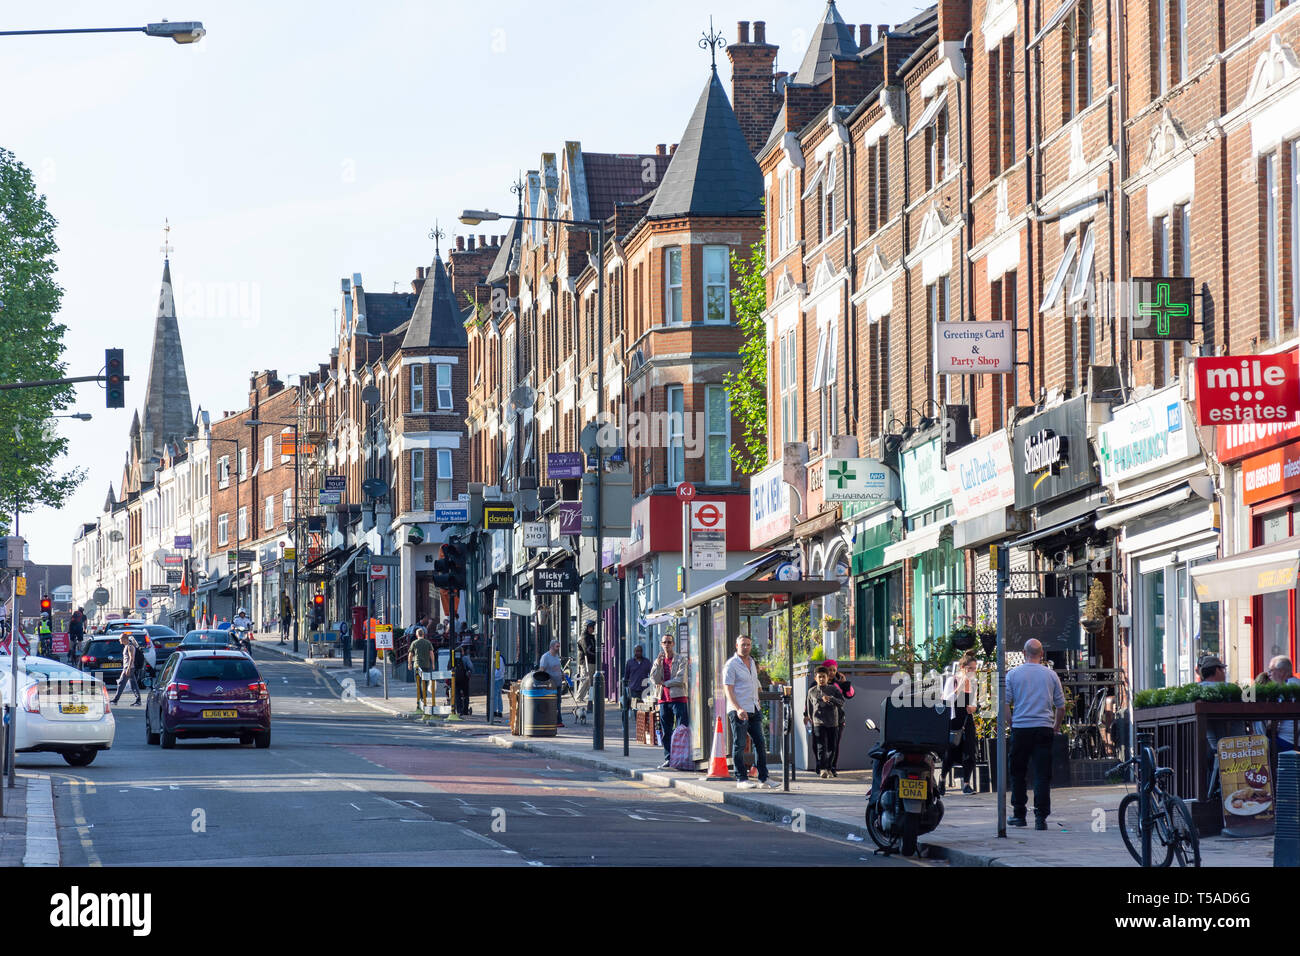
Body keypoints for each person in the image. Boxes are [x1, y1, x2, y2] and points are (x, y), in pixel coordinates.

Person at [1004, 638, 1065, 830]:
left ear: (1024, 653)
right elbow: (1061, 706)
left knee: (1018, 772)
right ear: (1042, 654)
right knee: (1042, 774)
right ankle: (1040, 818)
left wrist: (1012, 723)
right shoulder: (1051, 675)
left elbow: (1004, 703)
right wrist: (1055, 726)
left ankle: (1019, 815)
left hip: (1021, 728)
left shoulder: (1013, 675)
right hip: (1043, 728)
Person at [725, 635, 773, 789]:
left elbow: (753, 685)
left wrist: (757, 700)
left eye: (748, 644)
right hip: (739, 710)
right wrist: (738, 708)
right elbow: (728, 689)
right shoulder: (731, 665)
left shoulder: (752, 662)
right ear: (736, 645)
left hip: (754, 708)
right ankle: (741, 779)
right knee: (739, 744)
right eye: (743, 644)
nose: (745, 647)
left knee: (760, 743)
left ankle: (763, 778)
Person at [941, 650, 979, 795]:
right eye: (970, 669)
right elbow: (946, 700)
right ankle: (943, 779)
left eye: (975, 669)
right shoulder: (953, 680)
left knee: (969, 751)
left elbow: (975, 700)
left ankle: (966, 784)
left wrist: (973, 707)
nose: (972, 672)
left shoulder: (974, 682)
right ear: (963, 668)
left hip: (967, 719)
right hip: (954, 719)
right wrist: (958, 689)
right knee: (950, 752)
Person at [649, 633, 688, 769]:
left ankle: (682, 758)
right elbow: (654, 679)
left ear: (674, 644)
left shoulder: (681, 659)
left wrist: (665, 683)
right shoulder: (658, 660)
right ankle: (669, 758)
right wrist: (658, 665)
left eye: (669, 642)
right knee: (666, 731)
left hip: (679, 698)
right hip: (663, 699)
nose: (667, 645)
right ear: (661, 644)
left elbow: (680, 679)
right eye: (664, 642)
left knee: (682, 729)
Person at [804, 665, 845, 778]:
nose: (821, 679)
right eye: (819, 677)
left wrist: (831, 698)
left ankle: (829, 767)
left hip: (833, 722)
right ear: (815, 678)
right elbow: (809, 707)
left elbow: (842, 702)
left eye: (824, 677)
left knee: (832, 747)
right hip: (818, 723)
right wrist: (810, 718)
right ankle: (823, 769)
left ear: (828, 678)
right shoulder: (811, 691)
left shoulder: (834, 689)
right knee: (821, 747)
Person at [825, 659, 854, 774]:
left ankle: (832, 767)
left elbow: (850, 695)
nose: (831, 672)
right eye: (829, 670)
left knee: (835, 744)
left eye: (834, 670)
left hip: (838, 719)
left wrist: (844, 683)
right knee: (823, 744)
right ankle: (822, 765)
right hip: (821, 719)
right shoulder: (819, 683)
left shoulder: (839, 683)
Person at [539, 639, 566, 728]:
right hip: (550, 685)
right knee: (552, 703)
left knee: (558, 703)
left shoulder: (556, 656)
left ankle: (558, 721)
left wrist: (562, 674)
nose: (558, 648)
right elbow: (542, 670)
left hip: (558, 684)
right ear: (551, 647)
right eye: (557, 646)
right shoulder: (545, 657)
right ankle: (556, 721)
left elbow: (558, 668)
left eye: (559, 646)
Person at [111, 633, 142, 705]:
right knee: (133, 684)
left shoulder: (130, 646)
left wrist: (128, 668)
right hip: (128, 667)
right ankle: (138, 700)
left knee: (121, 683)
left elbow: (132, 658)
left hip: (129, 667)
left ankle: (115, 700)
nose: (119, 640)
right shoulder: (127, 646)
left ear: (124, 639)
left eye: (120, 639)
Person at [408, 626, 433, 710]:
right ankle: (424, 698)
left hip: (417, 665)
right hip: (426, 665)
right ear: (424, 634)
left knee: (418, 684)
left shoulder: (414, 643)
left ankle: (419, 701)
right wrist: (433, 664)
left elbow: (410, 654)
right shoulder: (428, 642)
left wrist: (409, 664)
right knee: (425, 683)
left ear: (416, 635)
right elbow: (431, 654)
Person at [575, 620, 597, 705]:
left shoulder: (591, 637)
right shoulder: (583, 637)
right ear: (586, 628)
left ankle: (588, 696)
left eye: (593, 627)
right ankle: (579, 697)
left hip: (592, 660)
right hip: (585, 661)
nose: (593, 629)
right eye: (591, 627)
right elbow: (586, 650)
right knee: (585, 678)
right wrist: (595, 654)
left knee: (590, 679)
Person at [454, 642, 473, 716]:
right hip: (464, 679)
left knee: (457, 695)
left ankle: (459, 710)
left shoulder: (453, 659)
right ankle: (465, 710)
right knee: (466, 695)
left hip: (456, 679)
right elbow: (471, 667)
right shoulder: (465, 658)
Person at [490, 649, 505, 718]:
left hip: (497, 679)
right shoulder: (499, 657)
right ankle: (499, 711)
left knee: (495, 695)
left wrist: (493, 676)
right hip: (500, 678)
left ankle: (495, 711)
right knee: (498, 695)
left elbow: (498, 671)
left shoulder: (498, 658)